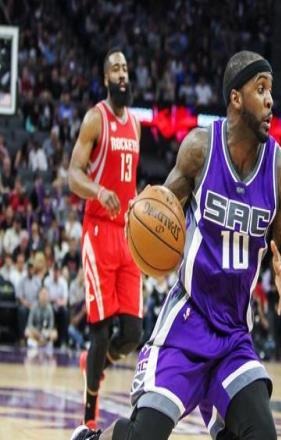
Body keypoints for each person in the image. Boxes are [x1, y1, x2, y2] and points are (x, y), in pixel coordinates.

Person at [71, 50, 281, 440]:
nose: (270, 100)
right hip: (187, 323)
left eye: (271, 90)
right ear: (236, 98)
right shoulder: (199, 149)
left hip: (234, 337)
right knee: (144, 436)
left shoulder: (280, 168)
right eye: (261, 89)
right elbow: (161, 207)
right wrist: (141, 217)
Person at [68, 48, 143, 429]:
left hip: (126, 233)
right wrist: (98, 190)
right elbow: (73, 174)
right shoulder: (94, 119)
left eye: (125, 68)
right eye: (115, 69)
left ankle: (93, 364)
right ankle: (89, 420)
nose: (122, 74)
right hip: (98, 230)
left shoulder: (136, 125)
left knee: (132, 334)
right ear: (105, 79)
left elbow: (129, 182)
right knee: (100, 330)